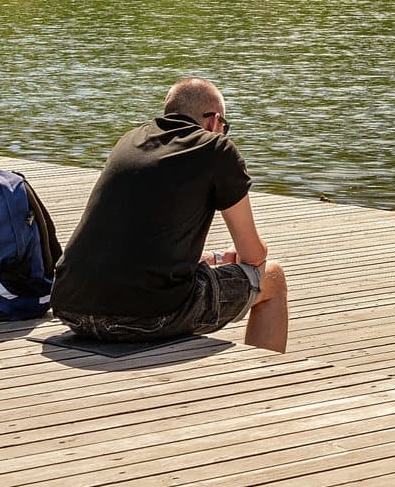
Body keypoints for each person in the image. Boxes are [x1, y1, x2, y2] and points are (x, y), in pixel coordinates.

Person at [52, 78, 288, 352]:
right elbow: (253, 256)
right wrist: (245, 252)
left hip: (71, 307)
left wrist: (216, 259)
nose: (223, 132)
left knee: (207, 262)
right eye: (225, 127)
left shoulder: (130, 140)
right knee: (273, 277)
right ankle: (263, 379)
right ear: (214, 121)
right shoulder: (217, 149)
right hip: (148, 317)